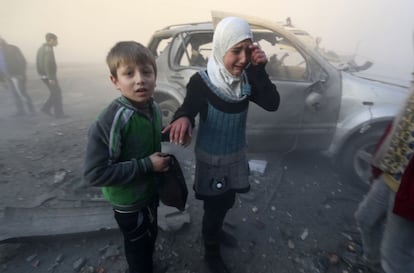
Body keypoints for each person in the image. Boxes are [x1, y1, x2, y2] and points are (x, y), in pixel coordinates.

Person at [163, 17, 280, 273]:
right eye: (235, 51)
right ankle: (211, 251)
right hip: (213, 160)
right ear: (220, 49)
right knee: (214, 207)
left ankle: (215, 231)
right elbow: (188, 107)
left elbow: (272, 103)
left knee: (227, 201)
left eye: (246, 51)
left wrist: (259, 69)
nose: (241, 59)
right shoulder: (202, 82)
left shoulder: (248, 79)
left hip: (235, 157)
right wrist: (182, 118)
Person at [83, 41, 171, 273]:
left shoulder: (151, 106)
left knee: (150, 235)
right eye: (129, 73)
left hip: (149, 192)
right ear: (115, 81)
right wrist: (147, 164)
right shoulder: (111, 120)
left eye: (146, 72)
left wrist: (171, 133)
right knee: (136, 245)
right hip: (128, 202)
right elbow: (95, 173)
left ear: (155, 76)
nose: (140, 80)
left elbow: (146, 136)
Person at [353, 74, 414, 273]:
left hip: (409, 192)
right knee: (365, 218)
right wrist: (377, 166)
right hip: (390, 174)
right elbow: (396, 130)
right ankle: (373, 263)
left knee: (395, 255)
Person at [0, 37, 35, 116]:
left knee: (22, 93)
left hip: (17, 76)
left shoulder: (12, 48)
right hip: (7, 78)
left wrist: (20, 74)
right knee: (14, 95)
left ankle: (32, 111)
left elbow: (22, 61)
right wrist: (2, 81)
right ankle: (21, 111)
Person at [36, 32, 65, 118]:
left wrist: (41, 74)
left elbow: (38, 63)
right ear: (51, 40)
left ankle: (47, 109)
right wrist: (51, 77)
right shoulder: (48, 49)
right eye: (56, 40)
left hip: (44, 75)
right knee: (57, 94)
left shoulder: (42, 48)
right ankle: (58, 114)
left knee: (55, 93)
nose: (57, 42)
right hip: (49, 76)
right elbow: (48, 63)